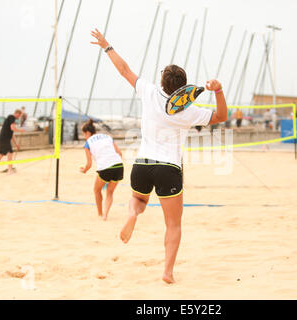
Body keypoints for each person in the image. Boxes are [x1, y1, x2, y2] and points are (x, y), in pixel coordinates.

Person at [91, 28, 228, 284]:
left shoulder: (149, 91)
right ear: (183, 87)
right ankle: (167, 272)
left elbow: (124, 70)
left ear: (163, 83)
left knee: (138, 200)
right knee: (173, 225)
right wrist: (218, 91)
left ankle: (133, 214)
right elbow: (221, 117)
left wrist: (107, 46)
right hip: (169, 168)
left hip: (142, 163)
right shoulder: (189, 111)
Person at [80, 119, 123, 220]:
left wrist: (84, 170)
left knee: (96, 190)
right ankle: (105, 215)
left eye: (84, 134)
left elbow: (89, 164)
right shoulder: (107, 137)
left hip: (105, 168)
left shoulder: (88, 143)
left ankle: (100, 213)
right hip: (118, 165)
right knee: (109, 192)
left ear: (87, 133)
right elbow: (120, 153)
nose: (84, 137)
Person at [0, 109, 25, 174]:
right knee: (10, 152)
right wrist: (20, 130)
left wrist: (16, 144)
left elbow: (11, 134)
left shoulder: (11, 120)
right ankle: (10, 170)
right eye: (19, 115)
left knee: (1, 154)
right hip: (5, 138)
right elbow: (13, 128)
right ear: (17, 113)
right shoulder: (11, 117)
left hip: (3, 138)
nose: (19, 117)